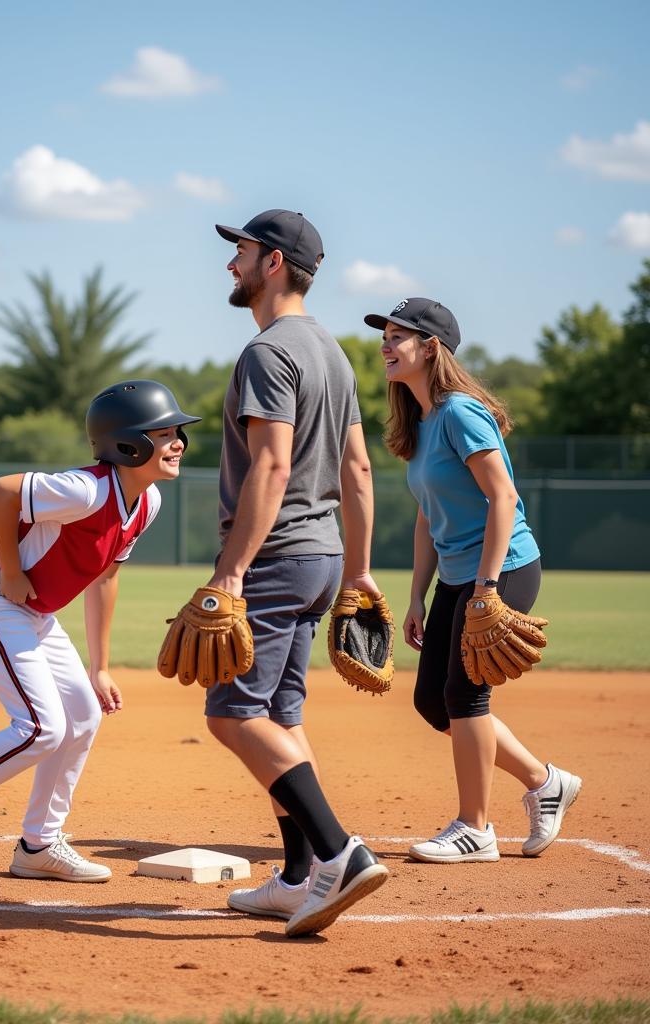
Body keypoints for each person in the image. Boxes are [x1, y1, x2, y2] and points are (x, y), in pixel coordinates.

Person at [0, 380, 200, 888]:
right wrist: (12, 569)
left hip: (29, 609)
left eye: (177, 434)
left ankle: (39, 845)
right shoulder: (89, 489)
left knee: (81, 714)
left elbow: (106, 577)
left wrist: (98, 666)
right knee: (40, 727)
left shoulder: (147, 504)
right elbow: (4, 490)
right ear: (128, 444)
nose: (178, 444)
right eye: (164, 433)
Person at [206, 210, 389, 937]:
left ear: (274, 262)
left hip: (277, 556)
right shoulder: (335, 354)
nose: (231, 264)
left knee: (232, 715)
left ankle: (338, 852)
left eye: (242, 252)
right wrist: (361, 571)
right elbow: (359, 470)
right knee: (281, 715)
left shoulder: (269, 352)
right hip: (321, 558)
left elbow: (273, 465)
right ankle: (294, 876)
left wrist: (231, 571)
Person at [365, 297, 581, 863]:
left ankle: (475, 827)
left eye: (397, 337)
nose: (385, 346)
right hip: (457, 576)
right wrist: (417, 593)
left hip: (503, 568)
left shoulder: (459, 412)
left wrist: (486, 587)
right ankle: (544, 780)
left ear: (430, 347)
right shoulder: (421, 421)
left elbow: (503, 496)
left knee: (465, 694)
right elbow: (426, 515)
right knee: (434, 704)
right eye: (384, 336)